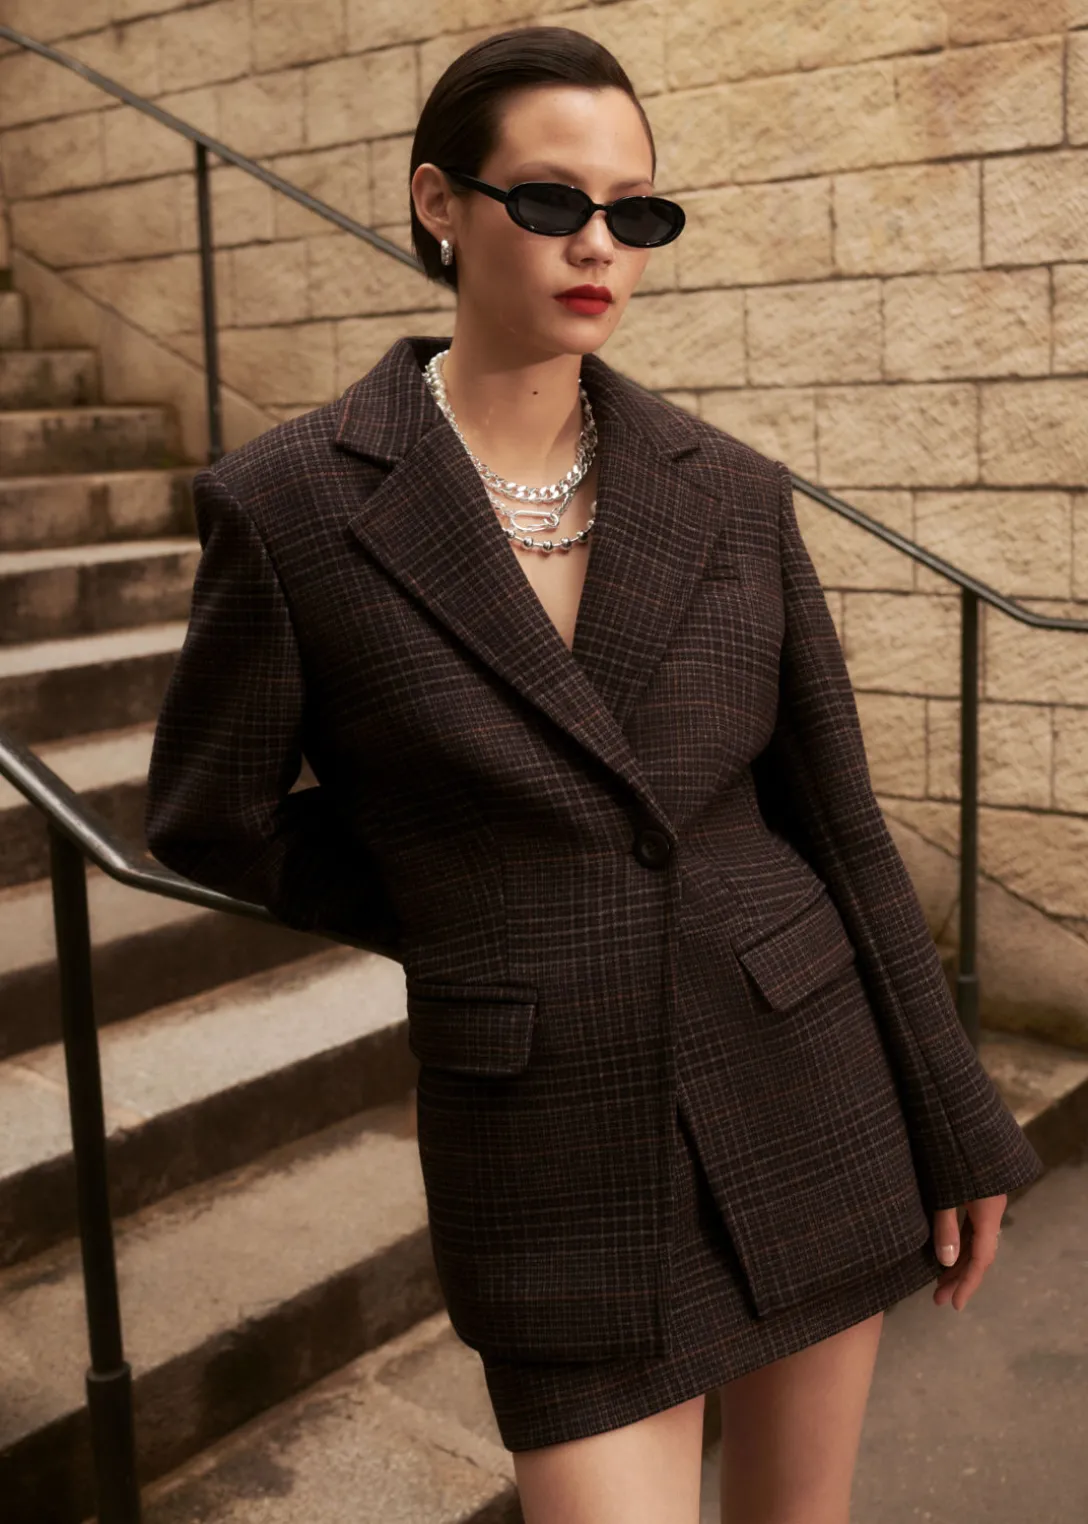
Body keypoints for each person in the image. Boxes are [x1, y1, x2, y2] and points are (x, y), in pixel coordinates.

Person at [144, 25, 1045, 1524]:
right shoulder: (289, 503)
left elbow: (839, 825)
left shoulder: (732, 492)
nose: (599, 246)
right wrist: (460, 906)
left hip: (805, 1085)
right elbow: (211, 815)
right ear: (438, 201)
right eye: (553, 199)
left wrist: (957, 1117)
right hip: (550, 1142)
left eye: (638, 211)